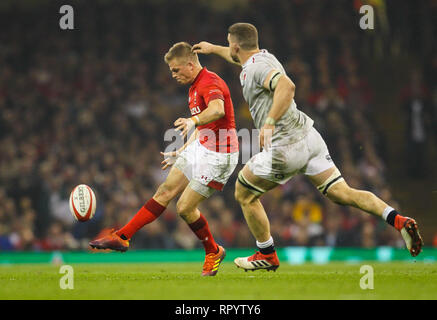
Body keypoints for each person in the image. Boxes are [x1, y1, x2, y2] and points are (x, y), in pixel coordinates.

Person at [192, 23, 423, 272]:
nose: (228, 48)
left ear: (236, 45)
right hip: (309, 138)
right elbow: (238, 58)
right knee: (342, 192)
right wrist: (213, 48)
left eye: (229, 44)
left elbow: (287, 87)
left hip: (284, 147)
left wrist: (269, 122)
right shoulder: (262, 58)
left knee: (243, 193)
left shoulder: (257, 67)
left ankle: (267, 253)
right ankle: (398, 219)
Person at [89, 42, 239, 276]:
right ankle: (122, 237)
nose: (173, 75)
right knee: (165, 191)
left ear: (190, 65)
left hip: (221, 154)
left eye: (176, 70)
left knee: (185, 208)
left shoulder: (210, 82)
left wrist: (193, 121)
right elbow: (205, 126)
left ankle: (213, 251)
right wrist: (183, 149)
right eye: (171, 71)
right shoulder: (194, 85)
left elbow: (217, 110)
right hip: (202, 144)